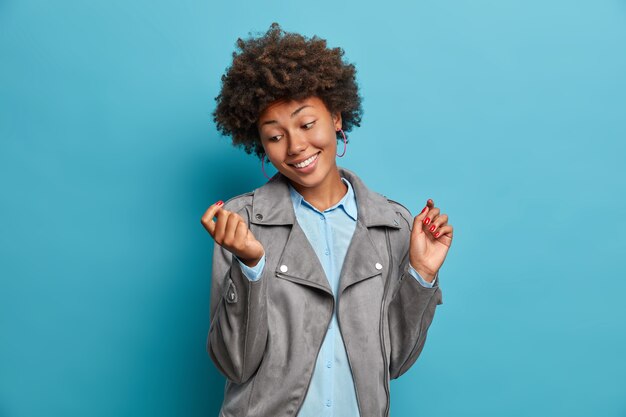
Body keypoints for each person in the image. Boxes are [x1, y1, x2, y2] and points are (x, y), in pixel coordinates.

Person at [201, 22, 453, 417]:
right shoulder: (241, 221)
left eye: (306, 124)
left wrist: (420, 275)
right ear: (260, 144)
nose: (296, 146)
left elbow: (395, 362)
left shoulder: (393, 224)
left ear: (336, 116)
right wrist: (251, 267)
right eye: (275, 135)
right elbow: (235, 363)